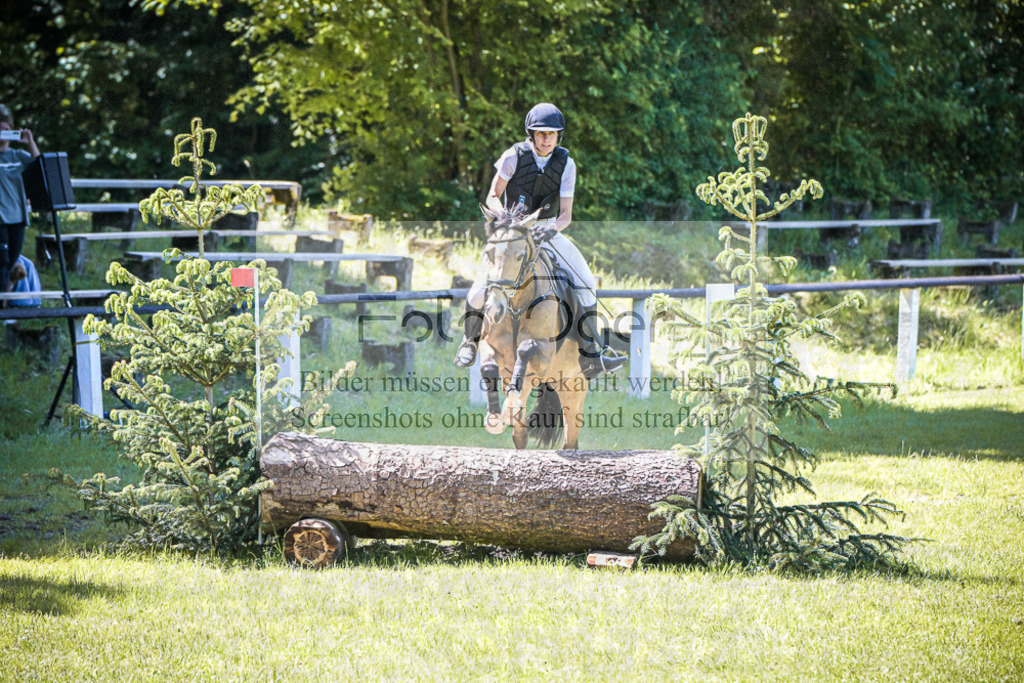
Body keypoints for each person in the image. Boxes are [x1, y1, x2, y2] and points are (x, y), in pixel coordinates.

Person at [454, 102, 626, 379]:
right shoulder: (513, 156)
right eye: (540, 133)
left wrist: (552, 229)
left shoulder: (566, 164)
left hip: (546, 229)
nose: (546, 139)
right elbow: (492, 196)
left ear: (559, 136)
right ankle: (469, 341)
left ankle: (592, 354)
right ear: (531, 134)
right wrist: (506, 221)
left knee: (586, 283)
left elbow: (567, 214)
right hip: (512, 232)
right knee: (477, 291)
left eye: (552, 134)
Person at [0, 103, 40, 294]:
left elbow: (41, 169)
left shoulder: (18, 156)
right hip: (1, 218)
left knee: (9, 265)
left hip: (17, 218)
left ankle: (5, 310)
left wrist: (30, 142)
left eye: (6, 129)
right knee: (2, 261)